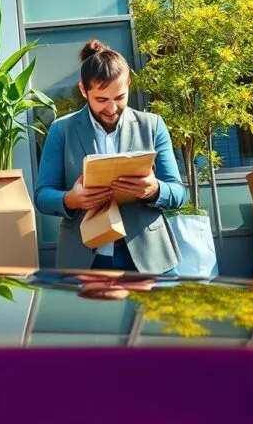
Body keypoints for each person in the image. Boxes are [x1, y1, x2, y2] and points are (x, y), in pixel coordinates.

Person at [34, 39, 187, 274]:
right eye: (102, 100)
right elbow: (43, 196)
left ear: (129, 85)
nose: (112, 108)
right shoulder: (61, 130)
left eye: (120, 98)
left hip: (149, 256)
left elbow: (178, 193)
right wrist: (71, 200)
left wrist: (153, 189)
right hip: (84, 258)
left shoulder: (152, 126)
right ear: (83, 91)